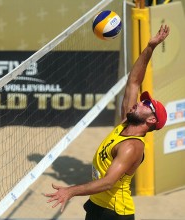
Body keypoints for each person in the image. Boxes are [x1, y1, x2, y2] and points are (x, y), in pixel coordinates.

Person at [45, 24, 170, 220]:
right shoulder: (125, 124)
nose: (140, 102)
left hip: (114, 213)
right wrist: (150, 47)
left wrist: (70, 191)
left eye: (146, 104)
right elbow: (134, 82)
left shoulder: (132, 147)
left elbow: (108, 182)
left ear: (152, 119)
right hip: (98, 205)